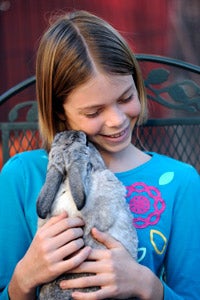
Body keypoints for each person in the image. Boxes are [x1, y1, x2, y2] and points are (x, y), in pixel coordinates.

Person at [0, 10, 200, 300]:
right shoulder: (21, 176)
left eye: (125, 98)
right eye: (94, 112)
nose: (116, 120)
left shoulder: (182, 182)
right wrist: (23, 279)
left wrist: (149, 286)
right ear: (59, 110)